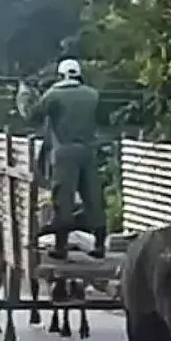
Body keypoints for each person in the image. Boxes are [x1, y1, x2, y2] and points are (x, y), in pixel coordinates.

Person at [18, 57, 106, 260]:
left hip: (64, 153)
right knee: (93, 197)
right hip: (88, 151)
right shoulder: (92, 95)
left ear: (60, 75)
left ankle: (61, 247)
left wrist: (24, 94)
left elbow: (32, 116)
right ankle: (100, 245)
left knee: (63, 200)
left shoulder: (54, 95)